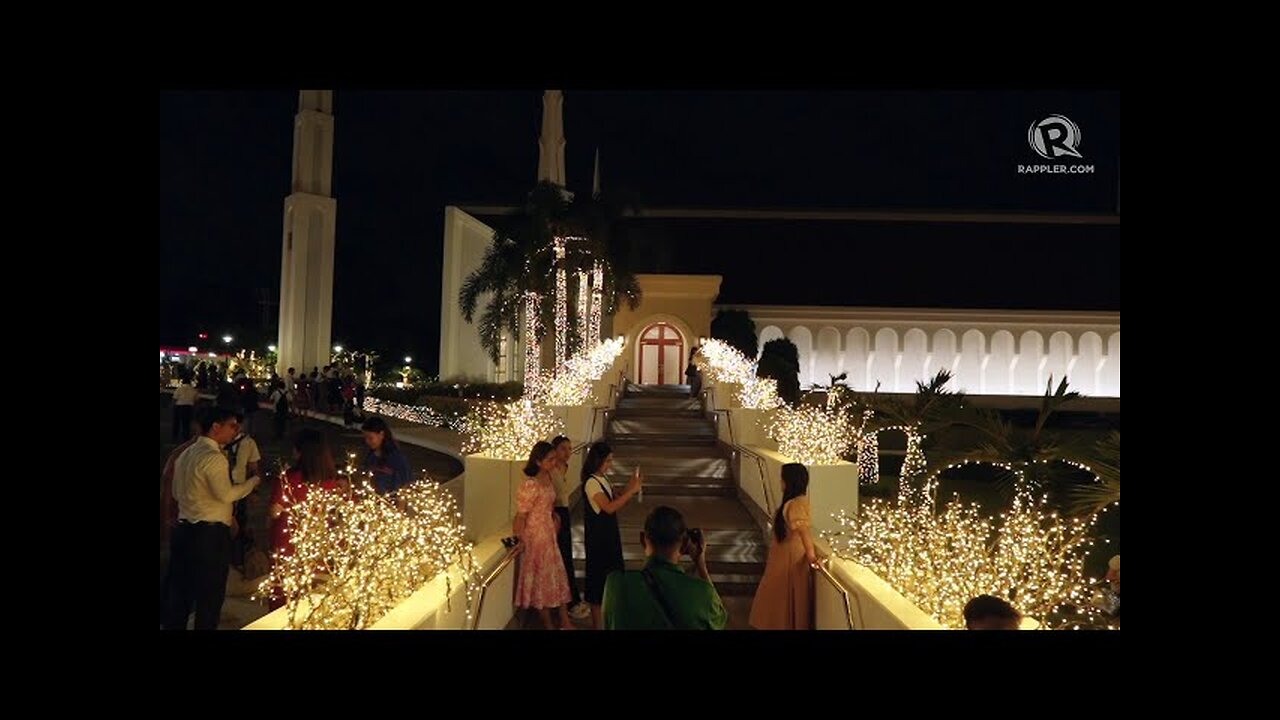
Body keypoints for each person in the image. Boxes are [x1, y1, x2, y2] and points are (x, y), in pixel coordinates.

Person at [161, 406, 262, 630]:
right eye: (232, 426)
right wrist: (252, 482)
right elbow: (226, 495)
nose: (236, 431)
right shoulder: (214, 457)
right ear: (216, 427)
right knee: (210, 595)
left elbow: (177, 493)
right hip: (209, 534)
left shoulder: (185, 454)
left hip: (184, 529)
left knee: (181, 592)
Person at [602, 505, 727, 630]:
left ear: (642, 539)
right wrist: (700, 564)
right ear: (684, 545)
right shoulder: (703, 594)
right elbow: (719, 620)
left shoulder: (615, 584)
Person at [268, 429, 346, 609]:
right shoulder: (331, 481)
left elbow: (274, 511)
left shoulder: (289, 477)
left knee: (283, 592)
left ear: (301, 451)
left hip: (287, 539)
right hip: (315, 539)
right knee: (311, 592)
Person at [513, 441, 575, 630]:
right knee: (542, 579)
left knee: (556, 574)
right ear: (538, 462)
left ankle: (564, 621)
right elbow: (521, 516)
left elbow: (549, 503)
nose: (554, 462)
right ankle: (550, 624)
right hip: (536, 535)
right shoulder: (530, 485)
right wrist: (518, 539)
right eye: (550, 459)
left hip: (548, 532)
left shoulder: (549, 478)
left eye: (554, 458)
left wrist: (553, 516)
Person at [581, 440, 641, 629]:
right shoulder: (591, 482)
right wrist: (631, 492)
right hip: (599, 540)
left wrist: (630, 486)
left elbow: (616, 496)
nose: (610, 464)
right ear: (597, 460)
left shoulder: (602, 479)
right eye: (607, 461)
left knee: (611, 578)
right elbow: (608, 507)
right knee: (598, 582)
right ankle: (597, 624)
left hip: (608, 537)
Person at [749, 463, 817, 630]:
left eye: (782, 479)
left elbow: (803, 532)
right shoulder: (798, 503)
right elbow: (804, 531)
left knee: (779, 596)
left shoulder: (795, 503)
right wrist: (811, 556)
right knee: (786, 596)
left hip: (787, 558)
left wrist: (811, 556)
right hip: (787, 556)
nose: (780, 482)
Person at [548, 436, 591, 621]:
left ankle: (570, 601)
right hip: (555, 516)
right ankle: (569, 603)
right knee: (562, 559)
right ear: (554, 450)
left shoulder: (563, 467)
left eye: (569, 449)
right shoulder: (549, 470)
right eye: (563, 448)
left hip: (564, 514)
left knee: (566, 558)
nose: (568, 453)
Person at [359, 417, 413, 494]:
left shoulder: (396, 457)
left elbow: (405, 484)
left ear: (381, 434)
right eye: (365, 438)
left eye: (370, 438)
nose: (367, 441)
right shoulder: (370, 456)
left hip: (391, 501)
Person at [172, 375, 198, 441]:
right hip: (188, 407)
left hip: (179, 406)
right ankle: (185, 437)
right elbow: (196, 400)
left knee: (177, 422)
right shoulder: (193, 389)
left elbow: (174, 398)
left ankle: (175, 436)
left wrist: (174, 406)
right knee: (186, 423)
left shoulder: (179, 388)